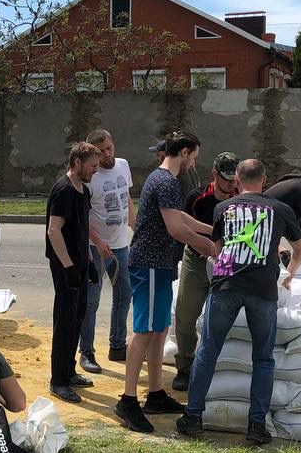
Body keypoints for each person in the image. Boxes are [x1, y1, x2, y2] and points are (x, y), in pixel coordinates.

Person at [179, 158, 301, 446]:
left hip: (225, 286)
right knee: (263, 358)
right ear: (265, 181)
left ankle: (192, 416)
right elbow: (300, 249)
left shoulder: (223, 208)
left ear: (237, 179)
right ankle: (256, 425)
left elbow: (218, 248)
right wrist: (289, 275)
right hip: (263, 289)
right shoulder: (281, 210)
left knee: (208, 351)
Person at [116, 132, 216, 432]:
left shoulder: (166, 181)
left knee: (159, 329)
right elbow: (176, 229)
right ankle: (128, 400)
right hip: (148, 263)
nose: (194, 163)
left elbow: (180, 217)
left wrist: (213, 229)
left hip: (159, 264)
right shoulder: (165, 180)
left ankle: (156, 393)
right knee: (145, 330)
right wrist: (206, 245)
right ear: (184, 152)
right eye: (194, 156)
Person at [171, 152, 240, 392]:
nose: (231, 183)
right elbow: (180, 225)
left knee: (221, 314)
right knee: (186, 313)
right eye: (227, 178)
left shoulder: (240, 197)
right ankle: (185, 365)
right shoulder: (197, 197)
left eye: (235, 179)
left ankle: (216, 364)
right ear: (214, 174)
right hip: (196, 258)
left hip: (227, 260)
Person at [44, 141, 102, 403]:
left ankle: (69, 371)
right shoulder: (63, 190)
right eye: (91, 166)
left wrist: (89, 260)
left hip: (79, 263)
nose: (95, 171)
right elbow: (54, 230)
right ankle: (58, 380)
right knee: (65, 321)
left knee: (77, 317)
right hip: (64, 265)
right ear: (77, 163)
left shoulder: (83, 190)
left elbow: (82, 227)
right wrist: (67, 266)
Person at [79, 128, 135, 374]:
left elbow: (128, 200)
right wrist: (98, 241)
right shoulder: (90, 177)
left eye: (109, 148)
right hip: (96, 247)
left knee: (124, 295)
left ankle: (117, 345)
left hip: (121, 244)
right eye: (101, 152)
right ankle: (87, 352)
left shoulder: (123, 165)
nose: (107, 155)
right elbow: (81, 217)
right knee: (91, 300)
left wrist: (137, 228)